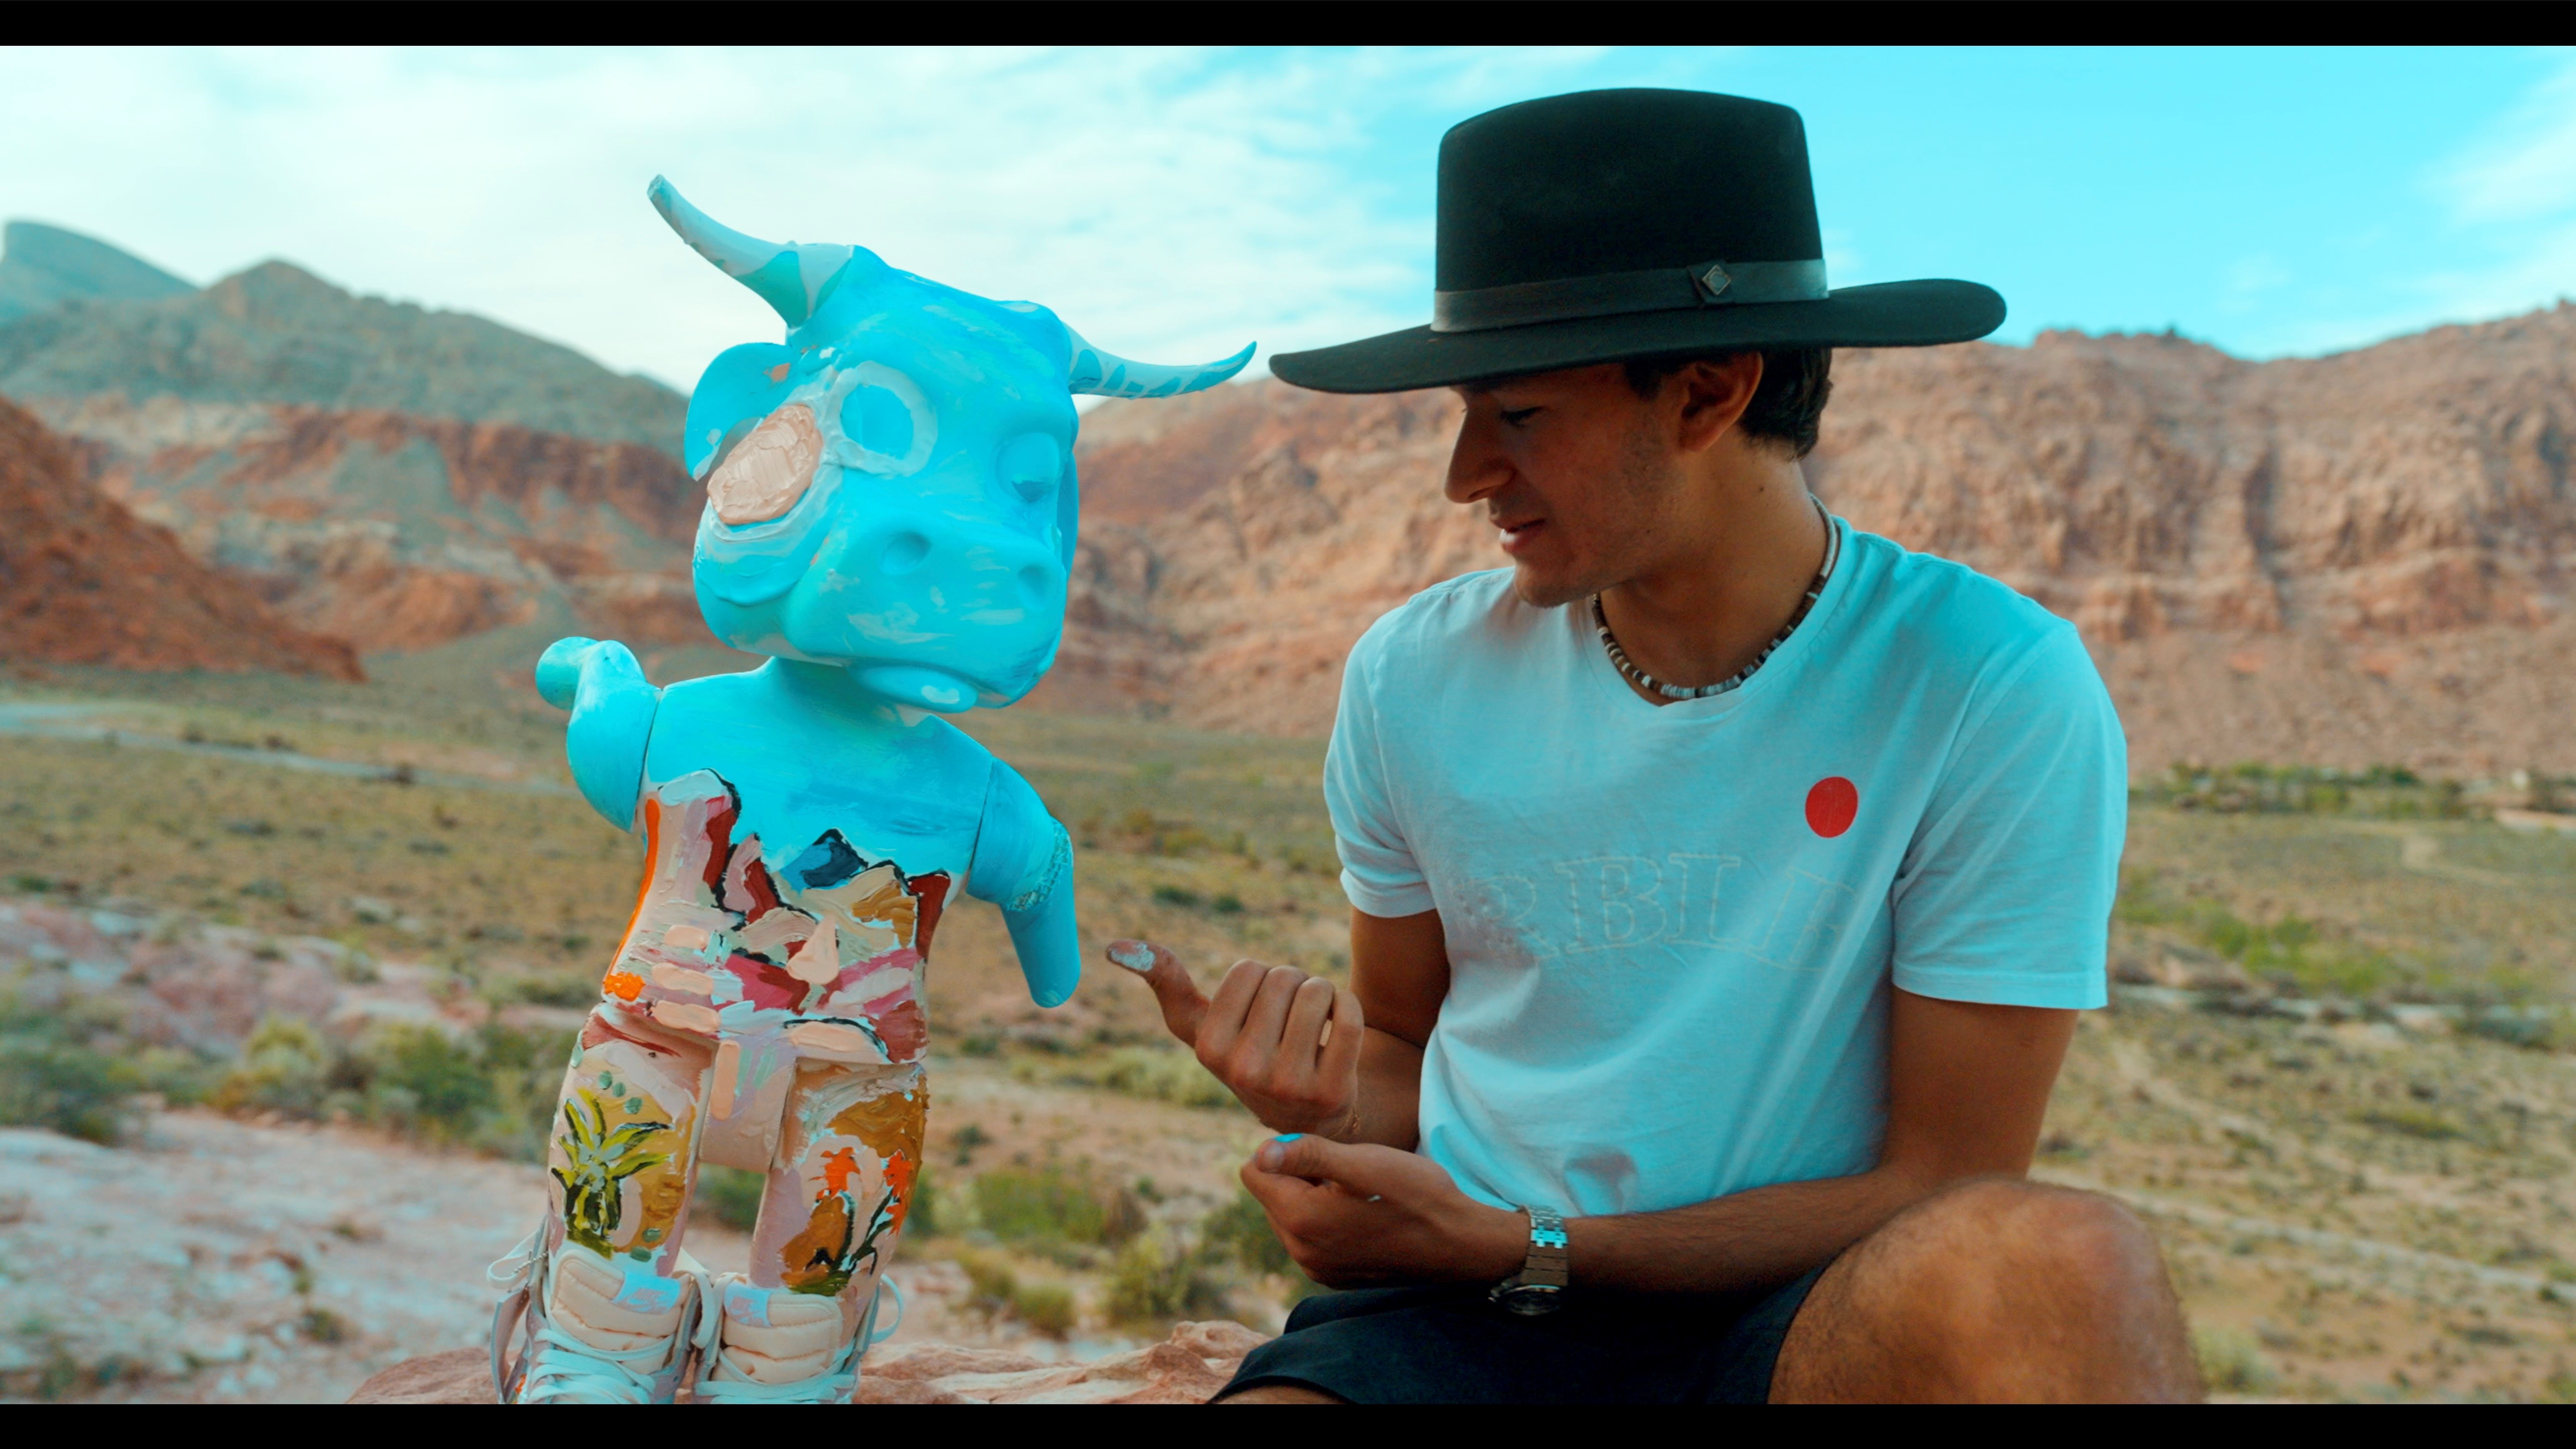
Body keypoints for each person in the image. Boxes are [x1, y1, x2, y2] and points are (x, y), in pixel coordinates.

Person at [1108, 89, 2200, 1404]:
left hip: (1806, 1319)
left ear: (1706, 394)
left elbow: (1947, 1187)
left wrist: (1547, 1244)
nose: (1464, 474)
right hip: (1470, 1315)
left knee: (2067, 1262)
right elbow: (1400, 1052)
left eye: (1517, 416)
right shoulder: (1413, 679)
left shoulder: (1986, 684)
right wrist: (1314, 1107)